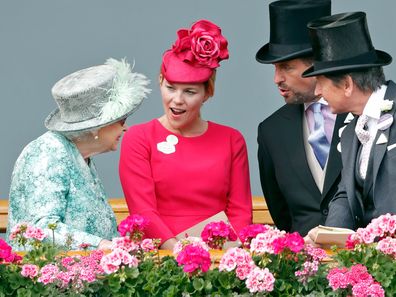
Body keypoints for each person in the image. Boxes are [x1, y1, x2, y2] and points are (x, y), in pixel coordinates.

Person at [119, 20, 252, 250]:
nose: (177, 100)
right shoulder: (139, 138)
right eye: (170, 88)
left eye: (190, 92)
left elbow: (240, 211)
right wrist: (178, 252)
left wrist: (229, 253)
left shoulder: (231, 140)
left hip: (221, 255)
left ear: (207, 93)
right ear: (160, 82)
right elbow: (143, 210)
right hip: (160, 257)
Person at [6, 58, 150, 250]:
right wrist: (102, 245)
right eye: (121, 120)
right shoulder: (47, 153)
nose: (126, 129)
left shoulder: (79, 154)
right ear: (95, 127)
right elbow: (40, 230)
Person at [302, 11, 396, 243]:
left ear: (346, 84)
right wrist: (327, 239)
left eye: (320, 84)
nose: (316, 93)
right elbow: (346, 193)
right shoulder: (351, 130)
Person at [256, 0, 347, 236]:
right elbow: (281, 214)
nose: (277, 79)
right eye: (274, 68)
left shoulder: (360, 114)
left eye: (286, 67)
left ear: (317, 64)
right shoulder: (271, 131)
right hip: (304, 267)